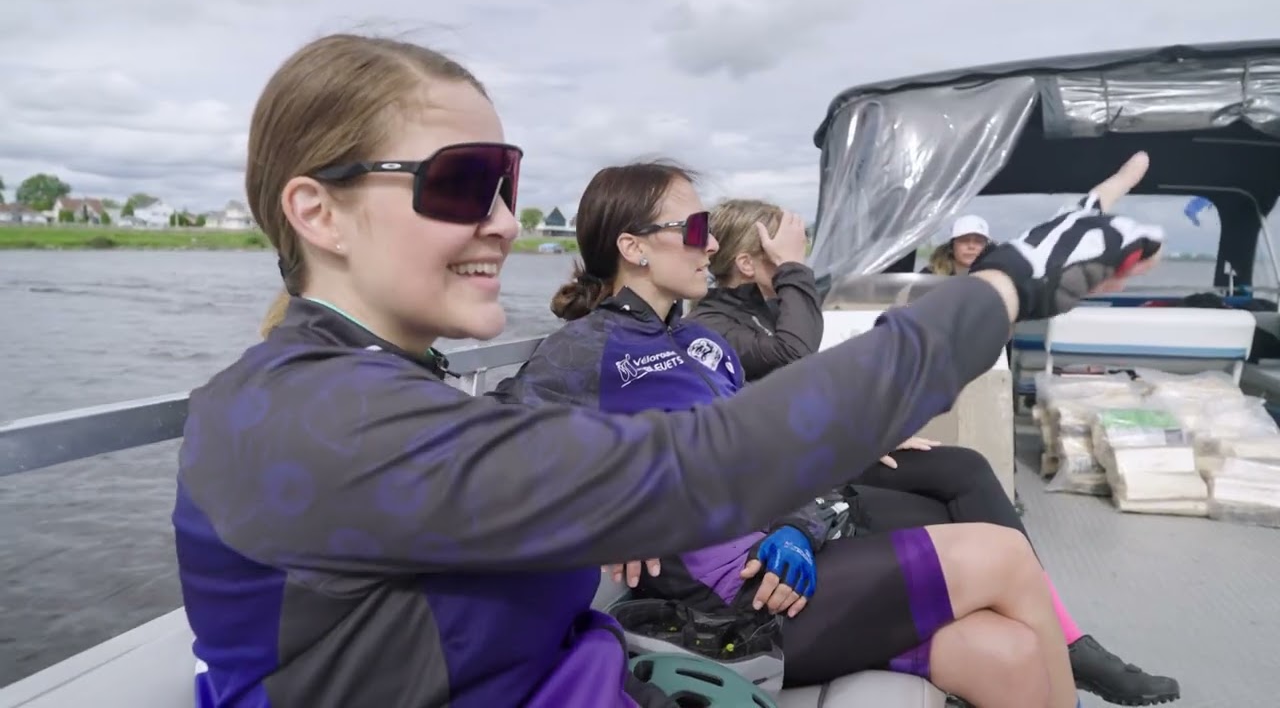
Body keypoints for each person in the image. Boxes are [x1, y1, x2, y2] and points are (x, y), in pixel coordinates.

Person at [173, 31, 1162, 708]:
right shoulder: (305, 418)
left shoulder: (377, 388)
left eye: (507, 183)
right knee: (986, 574)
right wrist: (997, 290)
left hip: (606, 669)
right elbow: (693, 464)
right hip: (658, 637)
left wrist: (746, 516)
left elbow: (654, 455)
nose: (508, 222)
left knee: (999, 647)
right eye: (465, 183)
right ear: (317, 211)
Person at [490, 157, 1162, 708]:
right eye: (694, 226)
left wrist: (801, 525)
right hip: (721, 606)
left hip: (784, 571)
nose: (712, 242)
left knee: (1008, 656)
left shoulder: (701, 345)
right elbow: (498, 444)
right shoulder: (587, 350)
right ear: (632, 247)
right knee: (1001, 554)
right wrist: (605, 509)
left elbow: (765, 453)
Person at [684, 198, 1181, 706]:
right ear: (748, 263)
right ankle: (1062, 640)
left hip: (814, 461)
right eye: (782, 250)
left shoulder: (763, 307)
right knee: (947, 506)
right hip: (799, 480)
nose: (798, 258)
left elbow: (807, 396)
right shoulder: (713, 326)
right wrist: (793, 272)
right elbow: (795, 356)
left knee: (961, 468)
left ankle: (1063, 637)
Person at [923, 214, 992, 275]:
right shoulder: (929, 275)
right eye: (964, 240)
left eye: (978, 241)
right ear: (952, 245)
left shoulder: (995, 276)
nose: (971, 246)